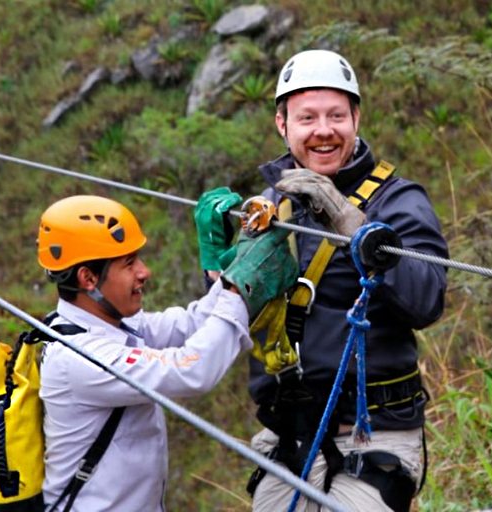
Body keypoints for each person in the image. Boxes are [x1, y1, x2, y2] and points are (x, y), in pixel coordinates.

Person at [246, 49, 448, 511]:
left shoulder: (398, 202)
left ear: (356, 118)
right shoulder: (270, 207)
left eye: (337, 115)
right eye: (307, 118)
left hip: (376, 431)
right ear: (284, 125)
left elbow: (426, 301)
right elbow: (241, 315)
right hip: (290, 436)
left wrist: (354, 228)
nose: (323, 131)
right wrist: (219, 265)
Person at [36, 194, 297, 511]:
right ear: (88, 279)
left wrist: (228, 274)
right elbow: (190, 371)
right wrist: (240, 289)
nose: (144, 272)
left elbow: (190, 324)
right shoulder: (79, 357)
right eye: (129, 263)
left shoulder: (109, 325)